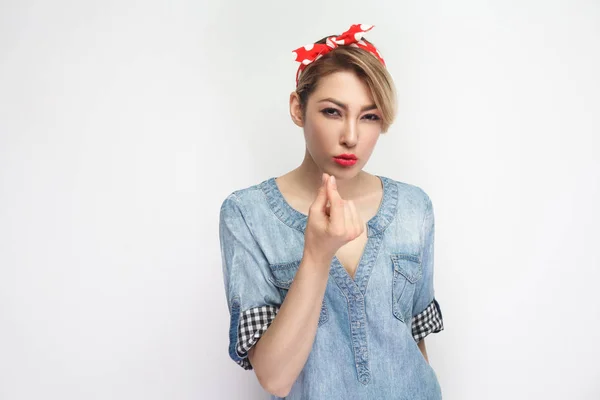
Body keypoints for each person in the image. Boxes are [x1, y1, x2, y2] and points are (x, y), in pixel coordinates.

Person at [219, 24, 444, 399]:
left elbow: (415, 342)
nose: (351, 136)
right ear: (298, 108)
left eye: (369, 116)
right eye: (332, 112)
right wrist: (316, 255)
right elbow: (275, 378)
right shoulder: (246, 215)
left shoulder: (413, 207)